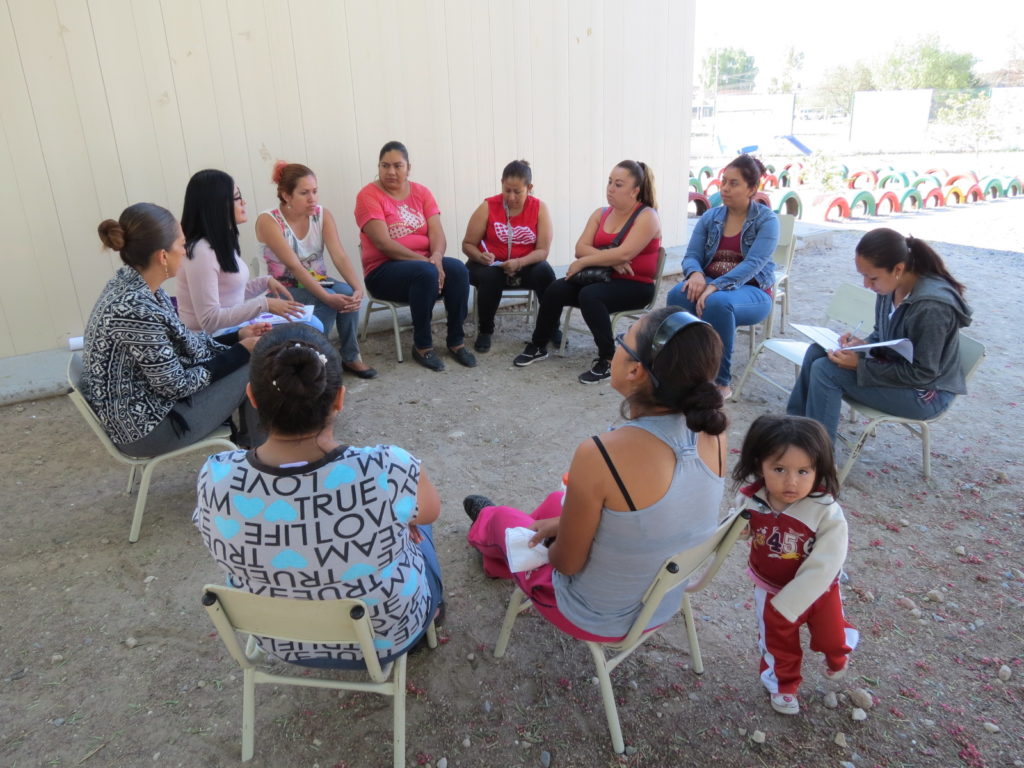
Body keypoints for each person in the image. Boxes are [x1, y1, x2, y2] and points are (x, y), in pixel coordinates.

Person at [465, 308, 728, 641]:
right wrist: (562, 526)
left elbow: (566, 564)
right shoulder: (713, 430)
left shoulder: (602, 454)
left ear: (635, 370)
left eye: (622, 342)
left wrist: (555, 540)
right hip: (662, 599)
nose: (616, 348)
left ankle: (488, 535)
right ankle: (499, 562)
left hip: (597, 617)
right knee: (553, 504)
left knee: (502, 519)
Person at [193, 324, 444, 668]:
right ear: (339, 399)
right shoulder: (387, 467)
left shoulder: (215, 476)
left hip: (281, 639)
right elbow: (430, 512)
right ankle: (428, 611)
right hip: (385, 635)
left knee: (402, 517)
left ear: (252, 397)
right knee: (416, 525)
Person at [81, 203, 268, 456]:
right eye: (182, 244)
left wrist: (237, 337)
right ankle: (258, 455)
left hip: (152, 411)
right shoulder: (135, 309)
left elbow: (184, 344)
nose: (186, 250)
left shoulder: (134, 285)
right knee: (256, 362)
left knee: (249, 355)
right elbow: (176, 385)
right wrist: (241, 353)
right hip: (147, 430)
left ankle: (252, 449)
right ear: (162, 256)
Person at [787, 228, 972, 441]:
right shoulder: (890, 287)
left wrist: (860, 364)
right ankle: (794, 433)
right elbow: (883, 335)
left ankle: (817, 459)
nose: (866, 285)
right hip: (898, 370)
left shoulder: (932, 307)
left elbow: (924, 373)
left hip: (926, 393)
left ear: (898, 269)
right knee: (818, 351)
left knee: (826, 371)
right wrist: (861, 344)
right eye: (863, 276)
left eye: (871, 277)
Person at [731, 414, 858, 716]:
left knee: (830, 637)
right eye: (779, 469)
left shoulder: (826, 511)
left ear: (819, 469)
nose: (791, 482)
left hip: (818, 592)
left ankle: (839, 652)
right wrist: (739, 529)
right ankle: (783, 685)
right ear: (759, 464)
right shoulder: (752, 499)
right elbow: (736, 527)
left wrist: (794, 600)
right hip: (769, 587)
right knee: (776, 641)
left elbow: (827, 563)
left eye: (803, 471)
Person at [512, 160, 661, 384]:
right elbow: (580, 248)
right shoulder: (600, 213)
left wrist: (588, 262)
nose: (610, 188)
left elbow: (623, 254)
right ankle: (539, 345)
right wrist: (609, 260)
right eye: (610, 182)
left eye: (618, 184)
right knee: (556, 289)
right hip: (601, 277)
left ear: (635, 190)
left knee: (590, 296)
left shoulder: (647, 216)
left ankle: (608, 359)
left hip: (636, 285)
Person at [666, 154, 779, 399]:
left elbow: (754, 263)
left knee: (717, 303)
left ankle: (720, 381)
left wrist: (715, 286)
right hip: (711, 283)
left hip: (754, 290)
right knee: (677, 294)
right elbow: (692, 255)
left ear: (752, 188)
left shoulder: (767, 220)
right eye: (724, 181)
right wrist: (695, 274)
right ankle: (684, 369)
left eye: (734, 183)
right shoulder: (711, 217)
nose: (725, 188)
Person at [355, 140, 474, 371]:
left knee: (459, 270)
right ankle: (422, 346)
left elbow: (437, 232)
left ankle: (456, 341)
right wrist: (428, 263)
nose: (391, 171)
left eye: (398, 166)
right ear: (378, 167)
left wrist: (437, 257)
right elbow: (383, 243)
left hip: (426, 267)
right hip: (384, 271)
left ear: (409, 167)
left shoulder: (421, 192)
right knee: (426, 273)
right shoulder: (368, 196)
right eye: (385, 165)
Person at [256, 161, 377, 379]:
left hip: (317, 281)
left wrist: (357, 287)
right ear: (286, 195)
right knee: (328, 300)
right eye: (304, 193)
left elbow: (338, 254)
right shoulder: (269, 221)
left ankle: (350, 356)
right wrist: (326, 297)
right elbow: (293, 265)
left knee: (347, 295)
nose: (312, 198)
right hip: (280, 288)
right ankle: (318, 359)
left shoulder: (322, 215)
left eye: (314, 191)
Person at [177, 168, 310, 334]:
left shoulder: (218, 243)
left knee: (312, 324)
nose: (243, 203)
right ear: (218, 204)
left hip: (232, 329)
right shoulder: (201, 252)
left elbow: (229, 296)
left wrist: (264, 282)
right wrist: (264, 304)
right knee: (307, 330)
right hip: (212, 341)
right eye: (237, 197)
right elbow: (209, 320)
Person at [461, 159, 556, 353]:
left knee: (545, 272)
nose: (511, 197)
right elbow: (467, 244)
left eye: (517, 192)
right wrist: (481, 257)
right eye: (507, 190)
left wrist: (520, 262)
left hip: (525, 264)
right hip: (490, 265)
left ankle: (551, 327)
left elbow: (543, 251)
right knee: (491, 276)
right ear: (501, 184)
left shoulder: (540, 209)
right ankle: (485, 330)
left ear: (529, 188)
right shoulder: (488, 206)